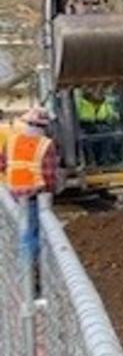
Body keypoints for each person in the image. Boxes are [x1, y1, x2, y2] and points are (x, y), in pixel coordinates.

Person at [0, 108, 59, 268]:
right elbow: (49, 176)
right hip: (33, 195)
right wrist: (50, 196)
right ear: (44, 126)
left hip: (13, 193)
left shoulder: (12, 141)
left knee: (21, 230)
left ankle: (25, 271)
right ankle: (29, 273)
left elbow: (3, 165)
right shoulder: (45, 144)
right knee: (31, 233)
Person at [75, 89, 120, 166]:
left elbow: (112, 115)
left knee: (108, 134)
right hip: (85, 126)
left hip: (101, 125)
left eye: (101, 91)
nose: (101, 93)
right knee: (85, 139)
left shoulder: (106, 103)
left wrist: (115, 117)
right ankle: (90, 161)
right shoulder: (81, 103)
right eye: (96, 90)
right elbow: (75, 117)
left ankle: (106, 159)